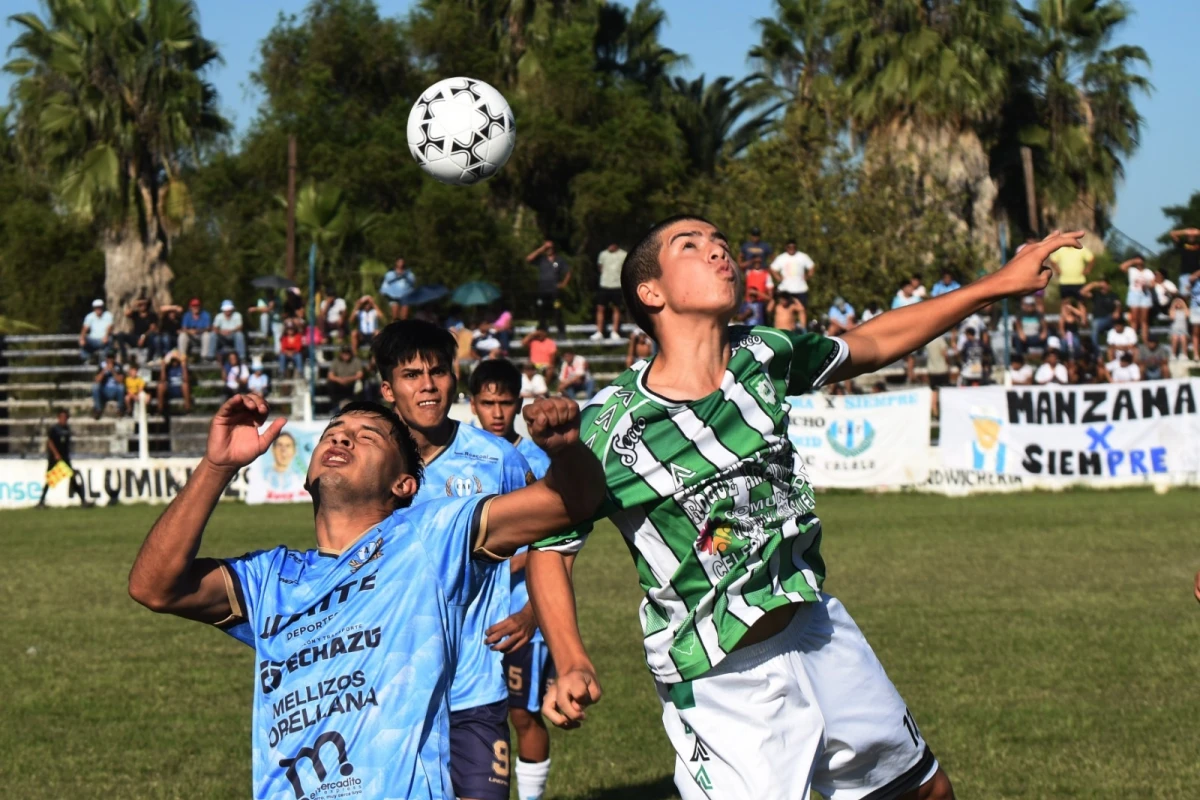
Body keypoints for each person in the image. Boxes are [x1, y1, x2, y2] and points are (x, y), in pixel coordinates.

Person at [529, 219, 1078, 800]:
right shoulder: (613, 427)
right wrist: (571, 661)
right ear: (651, 292)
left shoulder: (763, 353)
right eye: (687, 245)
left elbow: (873, 343)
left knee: (925, 792)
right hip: (722, 682)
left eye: (718, 240)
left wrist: (996, 284)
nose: (718, 248)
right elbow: (549, 546)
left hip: (817, 628)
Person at [127, 394, 604, 800]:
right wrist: (216, 467)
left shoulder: (429, 536)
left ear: (405, 484)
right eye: (334, 431)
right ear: (307, 474)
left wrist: (567, 450)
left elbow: (572, 501)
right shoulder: (269, 578)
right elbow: (154, 586)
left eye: (366, 435)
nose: (341, 437)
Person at [371, 320, 536, 800]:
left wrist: (531, 611)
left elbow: (554, 536)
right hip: (391, 689)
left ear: (453, 378)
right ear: (387, 388)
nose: (427, 385)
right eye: (411, 375)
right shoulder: (370, 464)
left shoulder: (496, 458)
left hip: (474, 686)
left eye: (438, 371)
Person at [467, 360, 557, 800]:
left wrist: (532, 610)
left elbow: (559, 538)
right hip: (470, 617)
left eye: (505, 403)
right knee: (466, 716)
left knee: (523, 715)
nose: (497, 413)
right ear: (472, 404)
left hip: (524, 610)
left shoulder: (539, 459)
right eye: (488, 403)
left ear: (519, 404)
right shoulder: (462, 456)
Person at [36, 409, 91, 508]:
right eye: (62, 417)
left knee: (72, 478)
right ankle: (41, 501)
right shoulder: (54, 429)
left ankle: (83, 501)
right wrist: (56, 454)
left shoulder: (67, 429)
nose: (64, 419)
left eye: (66, 418)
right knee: (50, 479)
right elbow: (50, 442)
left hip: (64, 458)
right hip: (54, 458)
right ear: (59, 418)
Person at [527, 241, 570, 337]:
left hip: (554, 291)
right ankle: (542, 329)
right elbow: (529, 258)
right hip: (542, 290)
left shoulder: (559, 260)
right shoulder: (542, 259)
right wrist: (542, 248)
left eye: (549, 248)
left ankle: (561, 331)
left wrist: (563, 284)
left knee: (557, 310)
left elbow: (568, 272)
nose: (548, 251)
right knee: (541, 311)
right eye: (546, 249)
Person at [768, 240, 815, 330]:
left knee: (801, 310)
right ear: (786, 248)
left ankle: (803, 329)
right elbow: (772, 268)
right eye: (789, 247)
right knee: (783, 310)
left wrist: (808, 276)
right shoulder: (781, 258)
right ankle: (780, 327)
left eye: (793, 247)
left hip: (800, 288)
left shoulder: (802, 256)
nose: (791, 249)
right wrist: (778, 277)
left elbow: (811, 266)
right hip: (786, 289)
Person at [593, 243, 627, 341]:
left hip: (617, 285)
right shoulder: (603, 254)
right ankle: (599, 331)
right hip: (604, 285)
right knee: (600, 308)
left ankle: (615, 332)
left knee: (616, 308)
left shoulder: (623, 255)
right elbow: (600, 267)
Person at [1119, 256, 1154, 344]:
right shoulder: (1132, 270)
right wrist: (1133, 260)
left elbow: (1153, 284)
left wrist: (1147, 286)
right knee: (1134, 319)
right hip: (1134, 294)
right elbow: (1122, 267)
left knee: (1144, 320)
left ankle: (1145, 340)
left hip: (1145, 295)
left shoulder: (1148, 272)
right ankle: (1133, 340)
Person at [1081, 279, 1122, 351]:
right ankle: (1097, 353)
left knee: (1114, 331)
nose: (1103, 286)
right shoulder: (1096, 294)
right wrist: (1094, 284)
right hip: (1097, 319)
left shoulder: (1113, 295)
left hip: (1110, 318)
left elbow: (1118, 304)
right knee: (1095, 327)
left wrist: (1117, 311)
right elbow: (1083, 292)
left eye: (1105, 284)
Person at [118, 298, 159, 364]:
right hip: (135, 338)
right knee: (120, 335)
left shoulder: (152, 315)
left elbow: (152, 328)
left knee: (152, 337)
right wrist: (135, 305)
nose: (142, 306)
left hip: (145, 338)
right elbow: (127, 313)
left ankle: (149, 359)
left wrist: (143, 336)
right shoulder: (135, 314)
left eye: (143, 304)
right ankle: (124, 357)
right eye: (140, 305)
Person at [326, 345, 365, 412]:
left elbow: (360, 375)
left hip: (352, 383)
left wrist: (348, 379)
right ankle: (335, 405)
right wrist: (339, 380)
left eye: (347, 353)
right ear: (341, 354)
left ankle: (359, 406)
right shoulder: (336, 361)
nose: (346, 355)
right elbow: (330, 375)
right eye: (344, 353)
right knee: (330, 384)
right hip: (339, 384)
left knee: (360, 384)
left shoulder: (356, 360)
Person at [156, 350, 193, 415]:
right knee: (160, 385)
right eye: (173, 360)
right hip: (170, 389)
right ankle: (160, 410)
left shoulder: (181, 367)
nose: (174, 362)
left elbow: (186, 379)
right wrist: (163, 367)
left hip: (180, 390)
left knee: (185, 385)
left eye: (176, 360)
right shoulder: (168, 368)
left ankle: (187, 409)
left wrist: (183, 366)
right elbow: (162, 379)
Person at [924, 333, 953, 416]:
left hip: (932, 369)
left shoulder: (928, 342)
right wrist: (949, 364)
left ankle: (934, 412)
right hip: (942, 369)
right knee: (944, 391)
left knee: (934, 391)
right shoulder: (940, 340)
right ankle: (944, 412)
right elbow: (944, 354)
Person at [381, 256, 416, 321]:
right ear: (396, 263)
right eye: (399, 262)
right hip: (393, 297)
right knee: (395, 317)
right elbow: (385, 283)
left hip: (405, 296)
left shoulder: (409, 274)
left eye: (402, 262)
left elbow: (412, 283)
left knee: (404, 317)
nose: (401, 263)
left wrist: (405, 275)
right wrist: (383, 291)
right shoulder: (390, 274)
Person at [1057, 296, 1088, 361]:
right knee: (1064, 346)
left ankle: (1075, 359)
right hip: (1066, 335)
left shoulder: (1075, 317)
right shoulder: (1062, 317)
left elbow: (1081, 315)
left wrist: (1072, 308)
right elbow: (1061, 329)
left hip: (1074, 335)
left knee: (1076, 346)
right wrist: (1064, 336)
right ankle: (1065, 360)